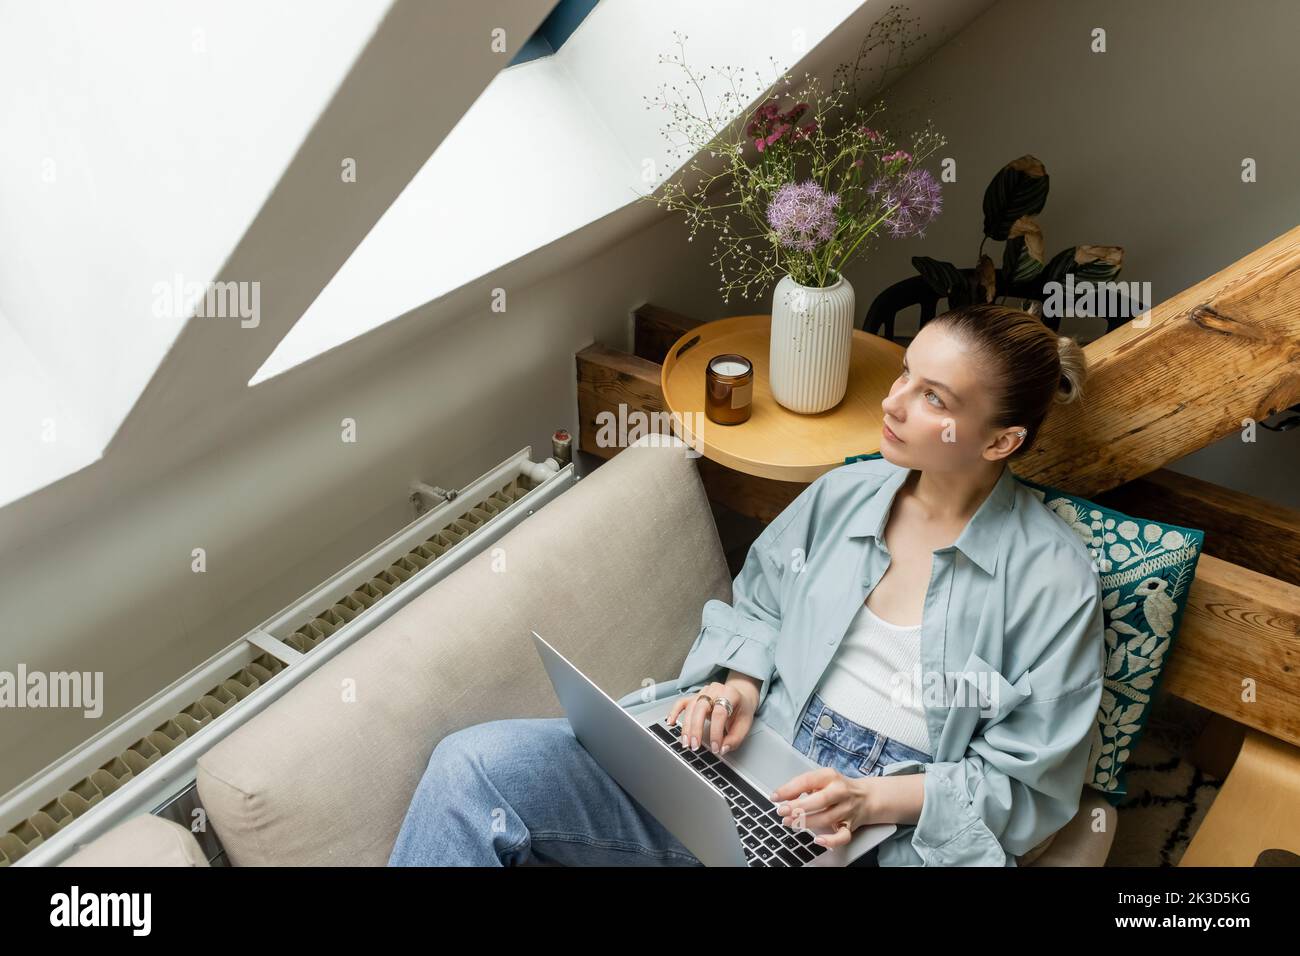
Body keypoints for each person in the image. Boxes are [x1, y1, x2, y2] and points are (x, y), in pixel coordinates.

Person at [387, 303, 1106, 867]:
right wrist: (736, 689)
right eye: (904, 376)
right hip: (749, 761)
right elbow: (760, 605)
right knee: (473, 768)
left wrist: (871, 799)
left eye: (934, 398)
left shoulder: (1055, 584)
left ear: (1000, 441)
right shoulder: (845, 493)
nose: (894, 403)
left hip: (891, 832)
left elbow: (1028, 788)